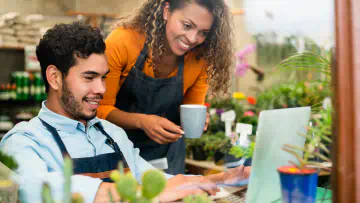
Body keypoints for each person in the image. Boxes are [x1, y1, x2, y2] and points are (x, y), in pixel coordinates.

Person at [0, 22, 249, 203]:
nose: (101, 89)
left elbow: (155, 180)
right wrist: (140, 194)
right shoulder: (25, 140)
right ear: (54, 77)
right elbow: (32, 188)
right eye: (89, 77)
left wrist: (223, 179)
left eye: (103, 78)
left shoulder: (111, 133)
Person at [97, 0, 233, 175]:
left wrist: (197, 119)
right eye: (187, 25)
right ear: (166, 11)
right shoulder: (123, 41)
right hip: (117, 155)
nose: (192, 39)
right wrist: (142, 121)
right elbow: (100, 109)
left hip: (167, 158)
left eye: (203, 32)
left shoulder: (200, 59)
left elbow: (190, 107)